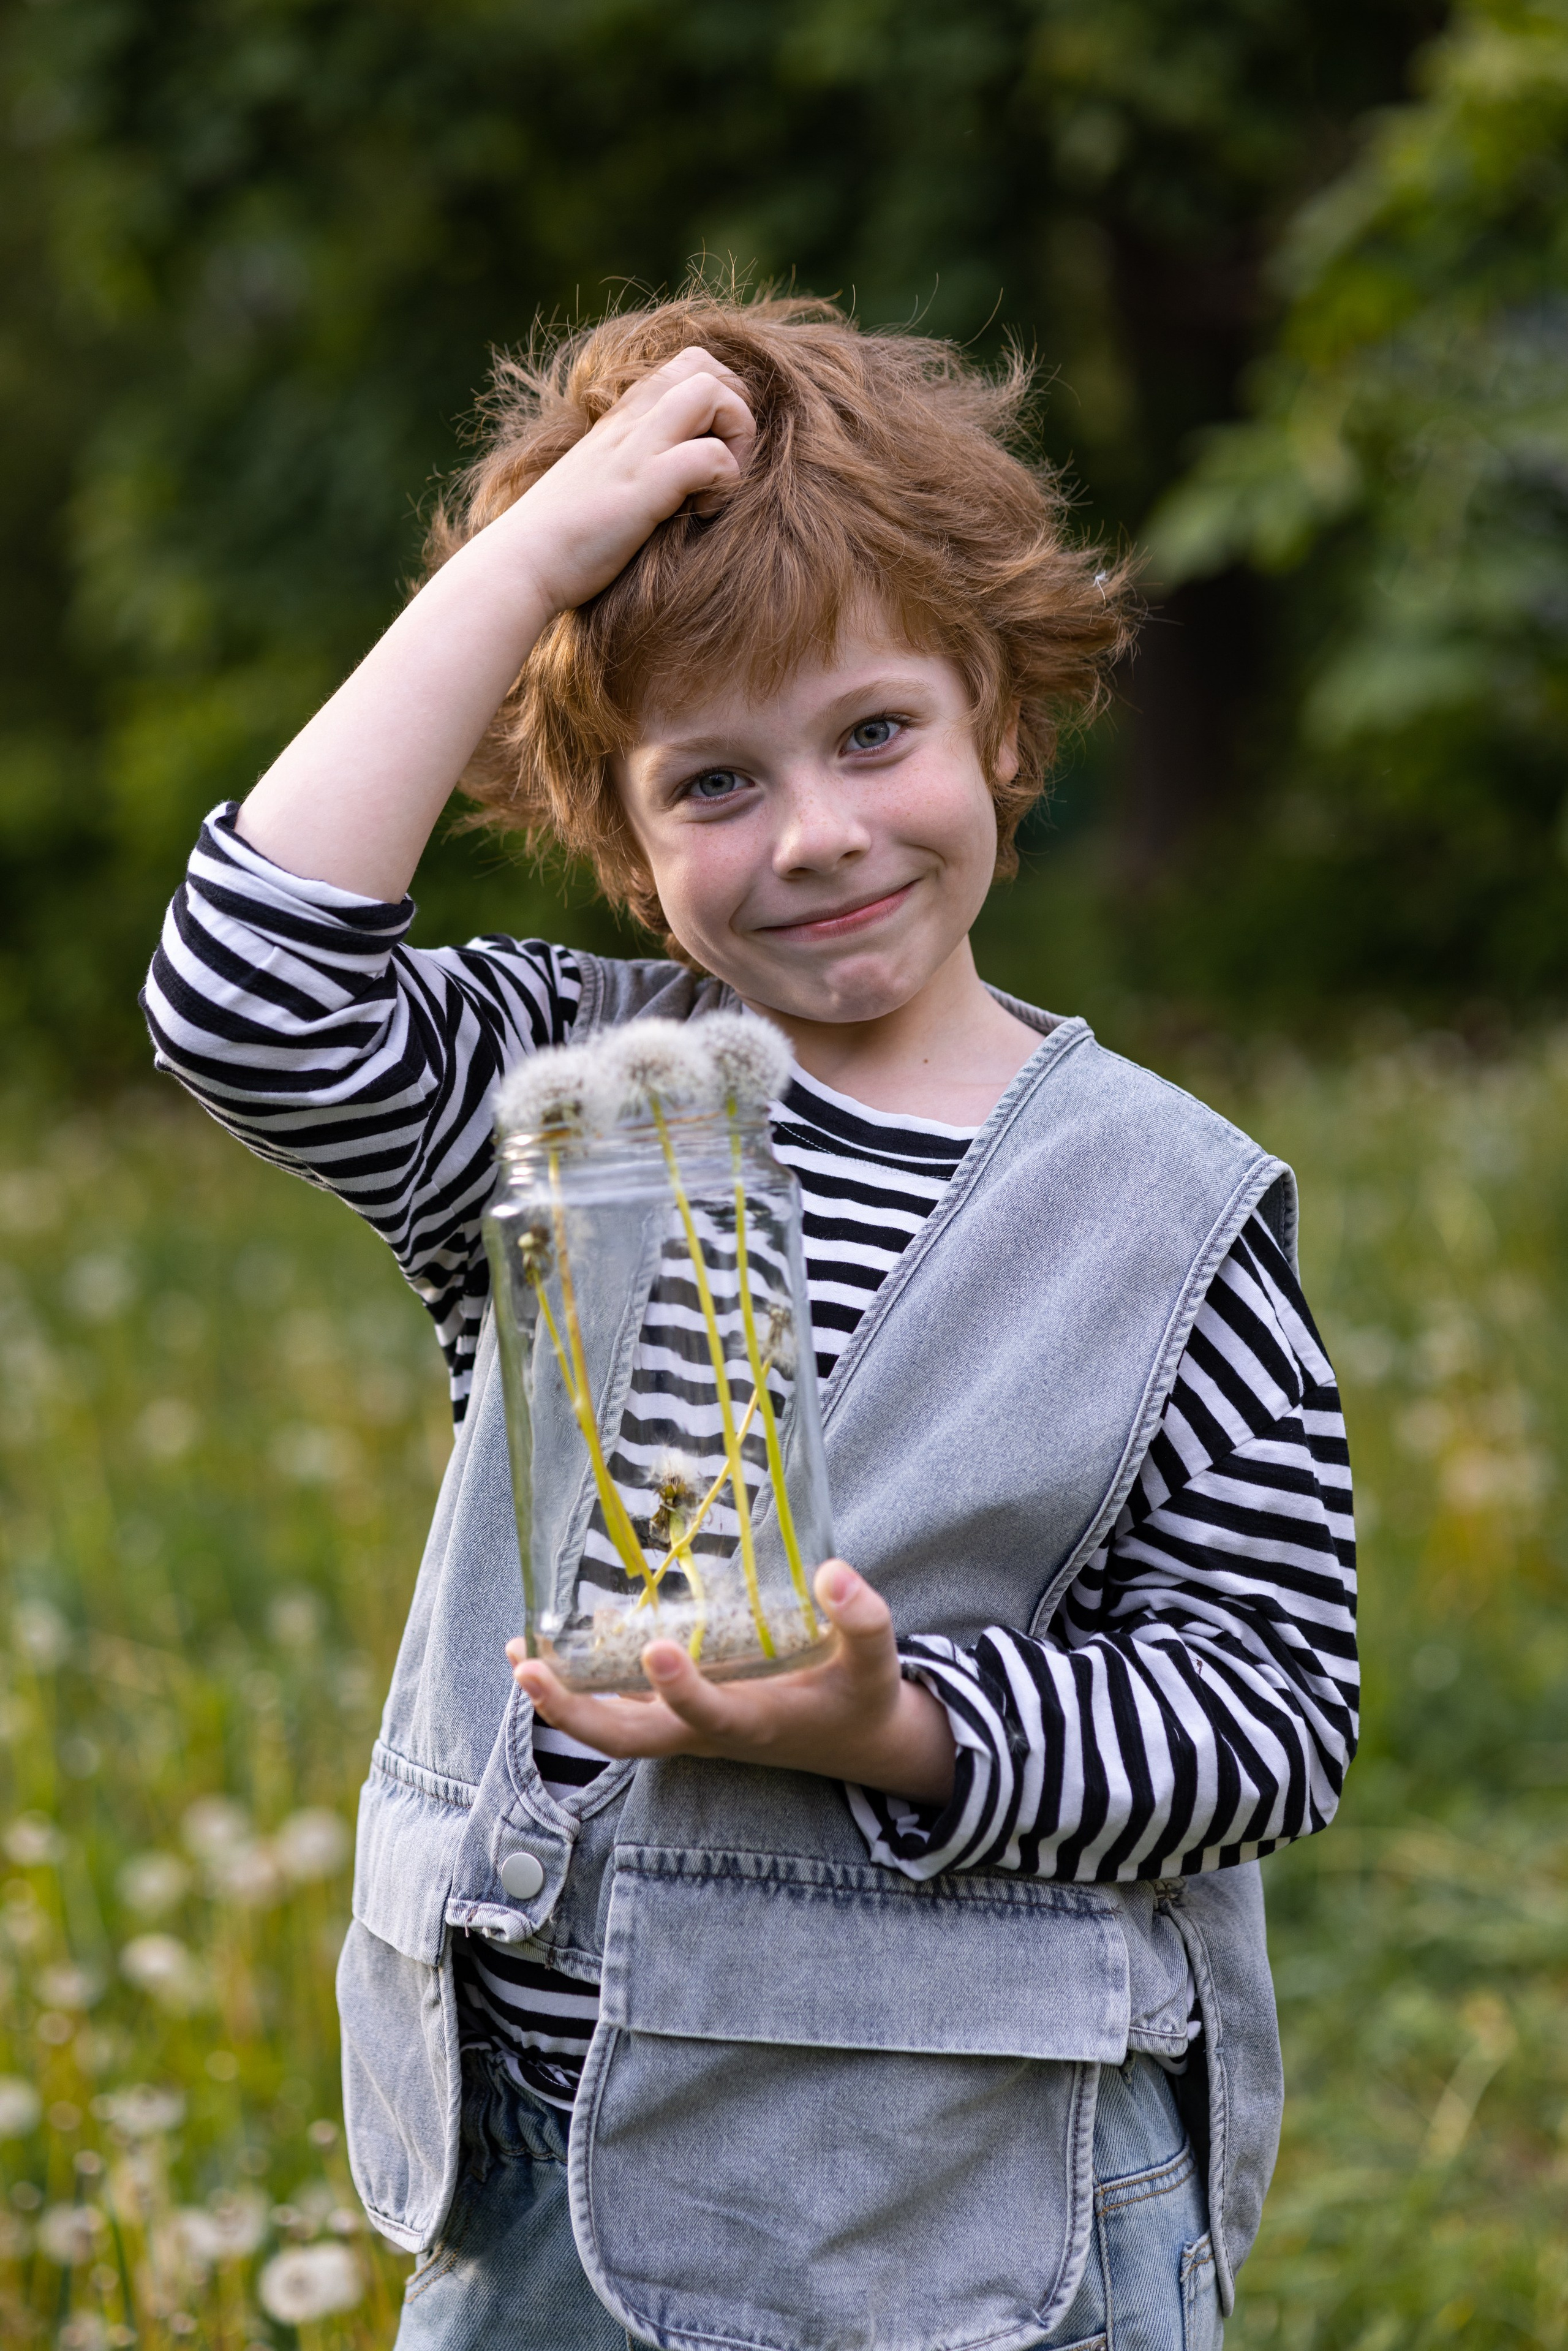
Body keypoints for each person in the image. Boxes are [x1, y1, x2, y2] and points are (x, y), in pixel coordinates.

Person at [143, 290, 1358, 2351]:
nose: (816, 835)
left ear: (1000, 722)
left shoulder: (1164, 1212)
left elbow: (1268, 1715)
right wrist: (522, 566)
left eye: (875, 734)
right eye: (712, 781)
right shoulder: (556, 1097)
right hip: (540, 2178)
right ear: (625, 844)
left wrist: (890, 1726)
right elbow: (250, 996)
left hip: (966, 2201)